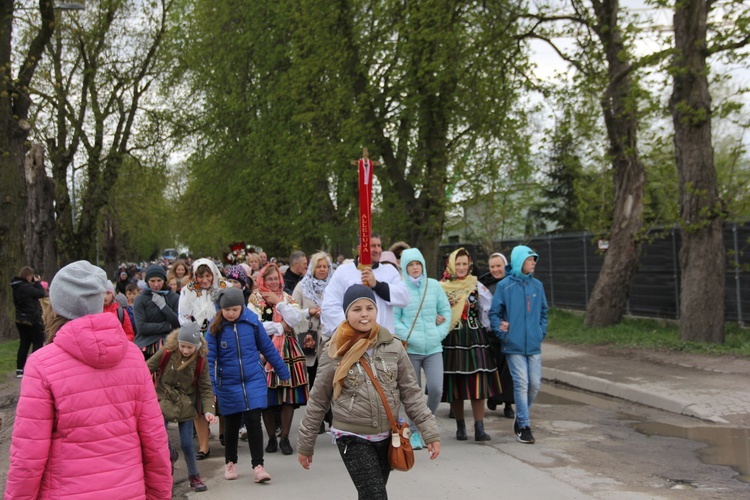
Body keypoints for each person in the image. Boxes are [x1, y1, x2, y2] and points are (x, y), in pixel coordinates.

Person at [5, 260, 172, 499]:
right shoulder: (133, 357)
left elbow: (28, 456)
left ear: (56, 306)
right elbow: (155, 441)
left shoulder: (41, 364)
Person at [297, 285, 441, 499]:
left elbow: (411, 394)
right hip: (352, 437)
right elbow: (318, 401)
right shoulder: (334, 350)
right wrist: (305, 444)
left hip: (388, 436)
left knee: (371, 494)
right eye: (357, 309)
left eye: (369, 308)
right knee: (375, 494)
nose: (364, 314)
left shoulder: (393, 346)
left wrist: (430, 432)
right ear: (347, 313)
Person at [207, 286, 291, 483]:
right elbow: (209, 359)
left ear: (242, 307)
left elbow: (268, 348)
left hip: (253, 379)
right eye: (227, 310)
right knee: (232, 424)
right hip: (228, 383)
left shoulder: (252, 323)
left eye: (234, 309)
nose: (230, 313)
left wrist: (283, 371)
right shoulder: (215, 328)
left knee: (254, 422)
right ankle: (231, 462)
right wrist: (211, 387)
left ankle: (258, 466)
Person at [439, 247, 501, 442]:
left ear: (470, 265)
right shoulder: (442, 287)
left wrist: (492, 329)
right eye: (458, 264)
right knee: (456, 384)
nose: (461, 267)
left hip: (474, 338)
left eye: (465, 264)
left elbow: (486, 309)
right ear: (451, 264)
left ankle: (479, 427)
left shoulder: (476, 285)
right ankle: (460, 426)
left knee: (478, 383)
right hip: (452, 338)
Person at [393, 248, 452, 449]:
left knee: (436, 389)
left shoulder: (434, 286)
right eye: (411, 264)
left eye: (418, 263)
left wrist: (437, 333)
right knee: (413, 395)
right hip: (411, 349)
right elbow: (395, 319)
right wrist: (410, 336)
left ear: (423, 265)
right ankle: (417, 432)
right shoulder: (400, 288)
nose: (415, 267)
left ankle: (424, 422)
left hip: (434, 348)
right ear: (405, 267)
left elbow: (446, 312)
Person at [489, 245, 548, 444]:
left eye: (534, 259)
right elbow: (494, 314)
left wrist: (540, 332)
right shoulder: (505, 286)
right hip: (513, 345)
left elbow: (543, 312)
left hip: (533, 344)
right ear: (521, 261)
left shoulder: (537, 286)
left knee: (535, 384)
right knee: (521, 383)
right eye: (531, 259)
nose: (533, 263)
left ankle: (520, 415)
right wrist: (501, 331)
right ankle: (523, 425)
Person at [148, 322, 216, 492]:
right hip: (162, 399)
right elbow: (147, 367)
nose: (185, 351)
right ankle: (166, 475)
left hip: (186, 403)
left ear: (197, 346)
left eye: (190, 347)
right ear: (177, 342)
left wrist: (209, 410)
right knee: (160, 440)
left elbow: (206, 387)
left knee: (187, 443)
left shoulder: (201, 360)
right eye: (183, 346)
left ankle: (194, 476)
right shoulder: (167, 351)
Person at [248, 263, 307, 456]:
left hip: (289, 349)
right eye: (269, 279)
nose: (273, 282)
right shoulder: (255, 298)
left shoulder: (287, 297)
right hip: (264, 348)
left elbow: (296, 318)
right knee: (268, 396)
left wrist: (278, 303)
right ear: (262, 280)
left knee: (288, 395)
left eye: (276, 279)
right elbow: (256, 324)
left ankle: (285, 438)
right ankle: (272, 437)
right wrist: (280, 326)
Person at [179, 257, 231, 460]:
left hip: (221, 343)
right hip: (198, 344)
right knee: (200, 395)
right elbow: (183, 316)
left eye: (208, 275)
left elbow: (231, 310)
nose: (205, 279)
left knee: (224, 391)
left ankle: (226, 434)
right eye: (200, 276)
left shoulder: (223, 288)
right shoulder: (188, 291)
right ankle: (203, 445)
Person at [321, 234, 409, 339]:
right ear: (359, 249)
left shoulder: (390, 271)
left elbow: (404, 298)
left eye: (379, 245)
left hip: (383, 340)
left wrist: (377, 285)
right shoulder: (343, 272)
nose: (377, 250)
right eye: (372, 246)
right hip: (353, 340)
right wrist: (351, 330)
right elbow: (329, 305)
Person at [291, 251, 333, 432]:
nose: (322, 270)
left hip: (330, 339)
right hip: (309, 341)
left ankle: (331, 415)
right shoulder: (302, 286)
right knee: (315, 382)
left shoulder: (334, 285)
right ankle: (318, 418)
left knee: (330, 379)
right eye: (319, 266)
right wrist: (309, 313)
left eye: (325, 266)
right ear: (312, 268)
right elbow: (292, 311)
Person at [479, 252, 515, 419]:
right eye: (492, 266)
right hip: (491, 333)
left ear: (505, 266)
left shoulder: (512, 282)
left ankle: (508, 403)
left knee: (508, 369)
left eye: (498, 266)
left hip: (509, 331)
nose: (495, 270)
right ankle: (493, 396)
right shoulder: (485, 283)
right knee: (493, 367)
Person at [133, 264, 180, 359]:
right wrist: (168, 326)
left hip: (170, 343)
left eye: (159, 280)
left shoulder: (174, 297)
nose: (156, 284)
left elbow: (178, 322)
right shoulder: (140, 299)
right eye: (152, 281)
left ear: (164, 281)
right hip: (145, 344)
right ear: (147, 281)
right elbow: (141, 328)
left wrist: (163, 306)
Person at [11, 267, 45, 378]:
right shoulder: (26, 287)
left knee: (24, 344)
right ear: (29, 277)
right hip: (32, 319)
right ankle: (35, 368)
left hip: (20, 319)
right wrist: (38, 283)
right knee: (38, 342)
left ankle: (20, 369)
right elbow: (41, 293)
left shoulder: (17, 286)